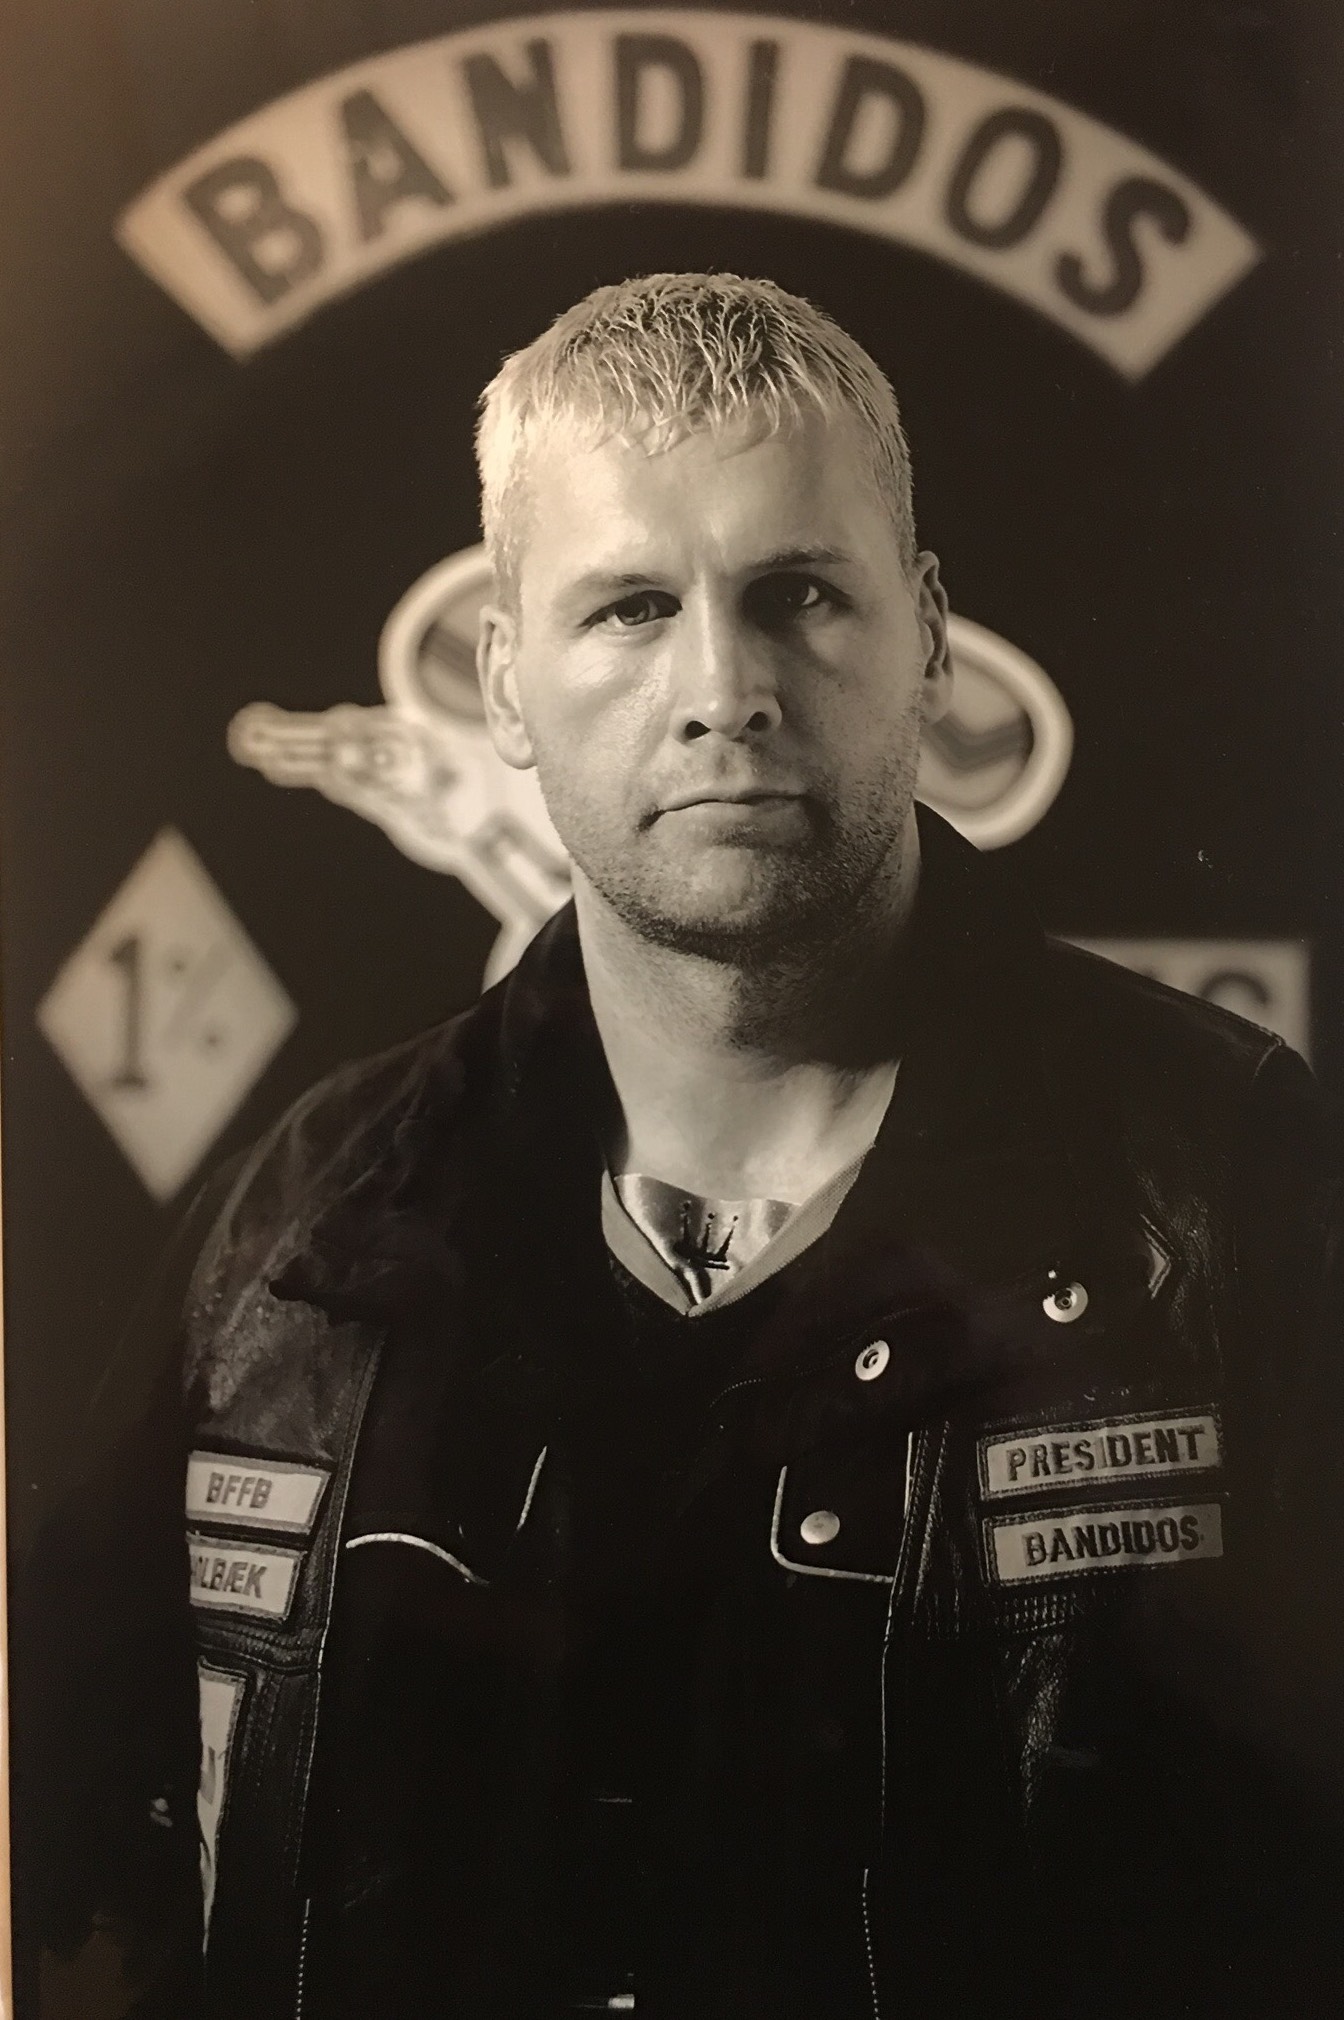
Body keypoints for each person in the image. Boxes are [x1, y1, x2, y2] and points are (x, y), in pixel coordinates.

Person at [20, 272, 1344, 2019]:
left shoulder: (1229, 1184)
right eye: (631, 607)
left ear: (929, 636)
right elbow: (73, 1883)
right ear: (504, 684)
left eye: (799, 592)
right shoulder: (296, 1245)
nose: (726, 689)